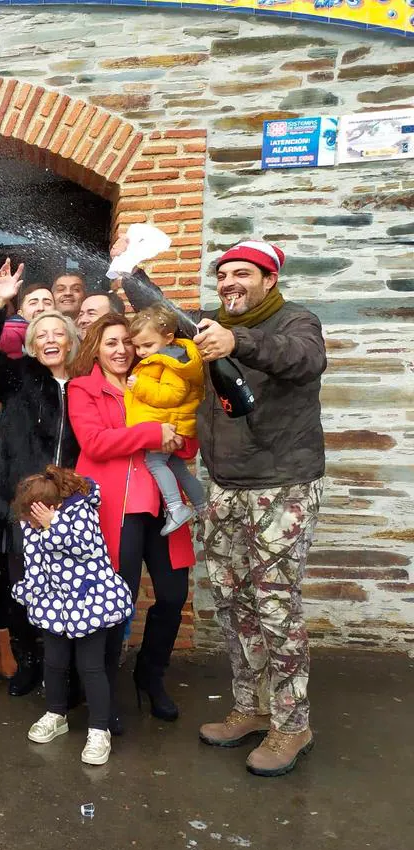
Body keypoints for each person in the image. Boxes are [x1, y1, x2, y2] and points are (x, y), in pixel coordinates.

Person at [192, 241, 326, 777]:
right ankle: (251, 707)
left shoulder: (297, 322)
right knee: (232, 602)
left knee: (275, 607)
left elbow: (303, 360)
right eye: (222, 275)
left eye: (242, 273)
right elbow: (159, 311)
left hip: (282, 486)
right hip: (225, 486)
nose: (229, 283)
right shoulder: (213, 328)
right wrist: (129, 267)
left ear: (269, 279)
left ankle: (292, 725)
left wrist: (236, 340)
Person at [68, 312, 196, 728]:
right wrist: (152, 434)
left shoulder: (160, 377)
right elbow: (94, 443)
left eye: (127, 341)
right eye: (111, 343)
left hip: (164, 506)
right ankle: (102, 692)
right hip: (115, 509)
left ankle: (150, 676)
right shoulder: (83, 388)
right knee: (113, 605)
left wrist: (179, 436)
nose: (121, 350)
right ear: (96, 349)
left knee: (174, 596)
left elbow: (186, 440)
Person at [0, 272, 82, 696]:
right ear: (32, 343)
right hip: (20, 503)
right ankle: (30, 661)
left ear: (71, 340)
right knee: (23, 591)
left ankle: (67, 671)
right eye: (41, 334)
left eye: (58, 333)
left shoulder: (86, 382)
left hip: (73, 506)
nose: (50, 339)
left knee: (68, 589)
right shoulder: (17, 377)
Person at [15, 466, 132, 767]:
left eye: (33, 515)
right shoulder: (30, 524)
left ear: (50, 507)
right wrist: (27, 591)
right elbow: (35, 565)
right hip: (54, 605)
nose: (28, 522)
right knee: (53, 662)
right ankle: (56, 714)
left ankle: (99, 729)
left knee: (90, 667)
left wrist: (55, 524)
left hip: (90, 602)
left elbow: (86, 547)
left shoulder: (81, 513)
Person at [126, 307, 206, 535]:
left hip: (169, 424)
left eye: (147, 345)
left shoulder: (171, 361)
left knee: (155, 463)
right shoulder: (167, 357)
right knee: (177, 467)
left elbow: (172, 394)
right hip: (172, 422)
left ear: (168, 337)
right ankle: (202, 506)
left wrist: (140, 386)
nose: (141, 352)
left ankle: (176, 506)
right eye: (138, 346)